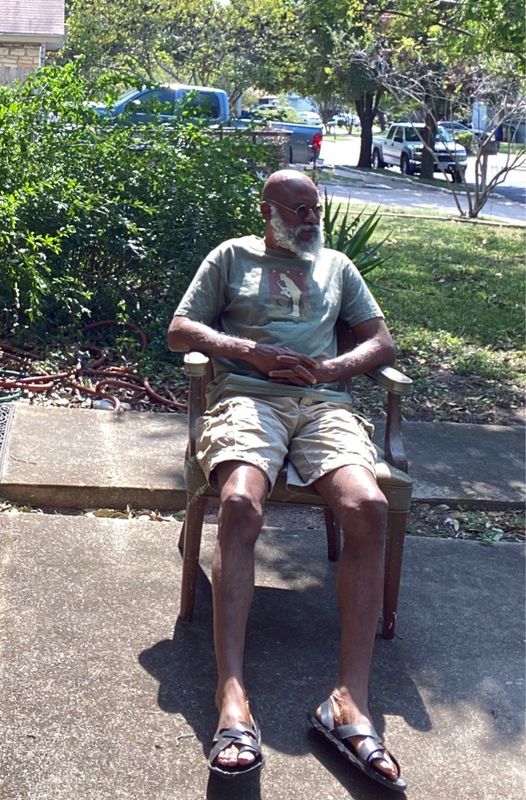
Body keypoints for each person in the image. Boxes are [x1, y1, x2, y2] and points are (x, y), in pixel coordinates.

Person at [167, 169, 406, 792]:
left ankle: (350, 704)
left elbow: (381, 342)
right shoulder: (230, 257)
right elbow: (180, 331)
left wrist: (333, 367)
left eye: (315, 209)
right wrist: (249, 352)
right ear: (267, 209)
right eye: (298, 209)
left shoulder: (337, 265)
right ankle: (231, 696)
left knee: (370, 508)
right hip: (247, 399)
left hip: (323, 404)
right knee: (241, 502)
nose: (309, 219)